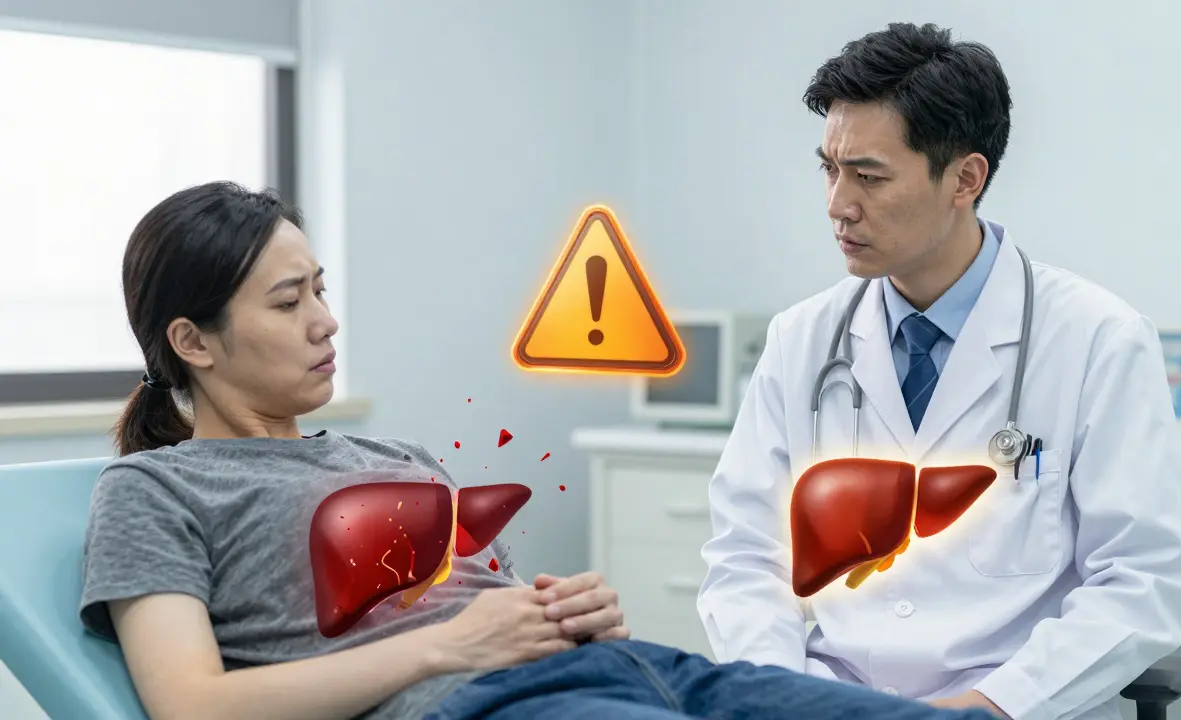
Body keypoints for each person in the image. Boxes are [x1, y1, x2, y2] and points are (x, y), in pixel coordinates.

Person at [79, 180, 1001, 720]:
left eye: (319, 289)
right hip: (486, 709)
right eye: (288, 304)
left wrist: (565, 610)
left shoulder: (389, 452)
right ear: (194, 341)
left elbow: (492, 608)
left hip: (635, 670)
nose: (326, 322)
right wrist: (449, 651)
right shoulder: (154, 489)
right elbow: (190, 704)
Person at [696, 22, 1181, 720]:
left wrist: (991, 705)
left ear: (965, 178)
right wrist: (786, 695)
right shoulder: (803, 342)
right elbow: (746, 560)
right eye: (830, 168)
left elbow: (1146, 577)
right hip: (830, 701)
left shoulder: (1098, 340)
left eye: (869, 176)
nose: (837, 205)